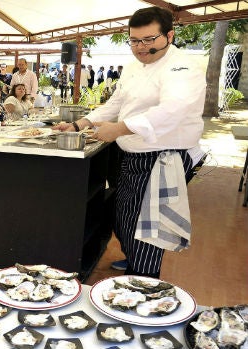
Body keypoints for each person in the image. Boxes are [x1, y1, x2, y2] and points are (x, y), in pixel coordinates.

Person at [53, 6, 205, 278]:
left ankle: (142, 283)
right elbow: (116, 103)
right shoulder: (135, 66)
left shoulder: (182, 66)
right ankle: (134, 260)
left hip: (161, 156)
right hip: (130, 154)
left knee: (147, 228)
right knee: (121, 215)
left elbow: (173, 109)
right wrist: (79, 124)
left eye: (149, 40)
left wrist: (120, 129)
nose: (141, 47)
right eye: (135, 40)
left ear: (169, 35)